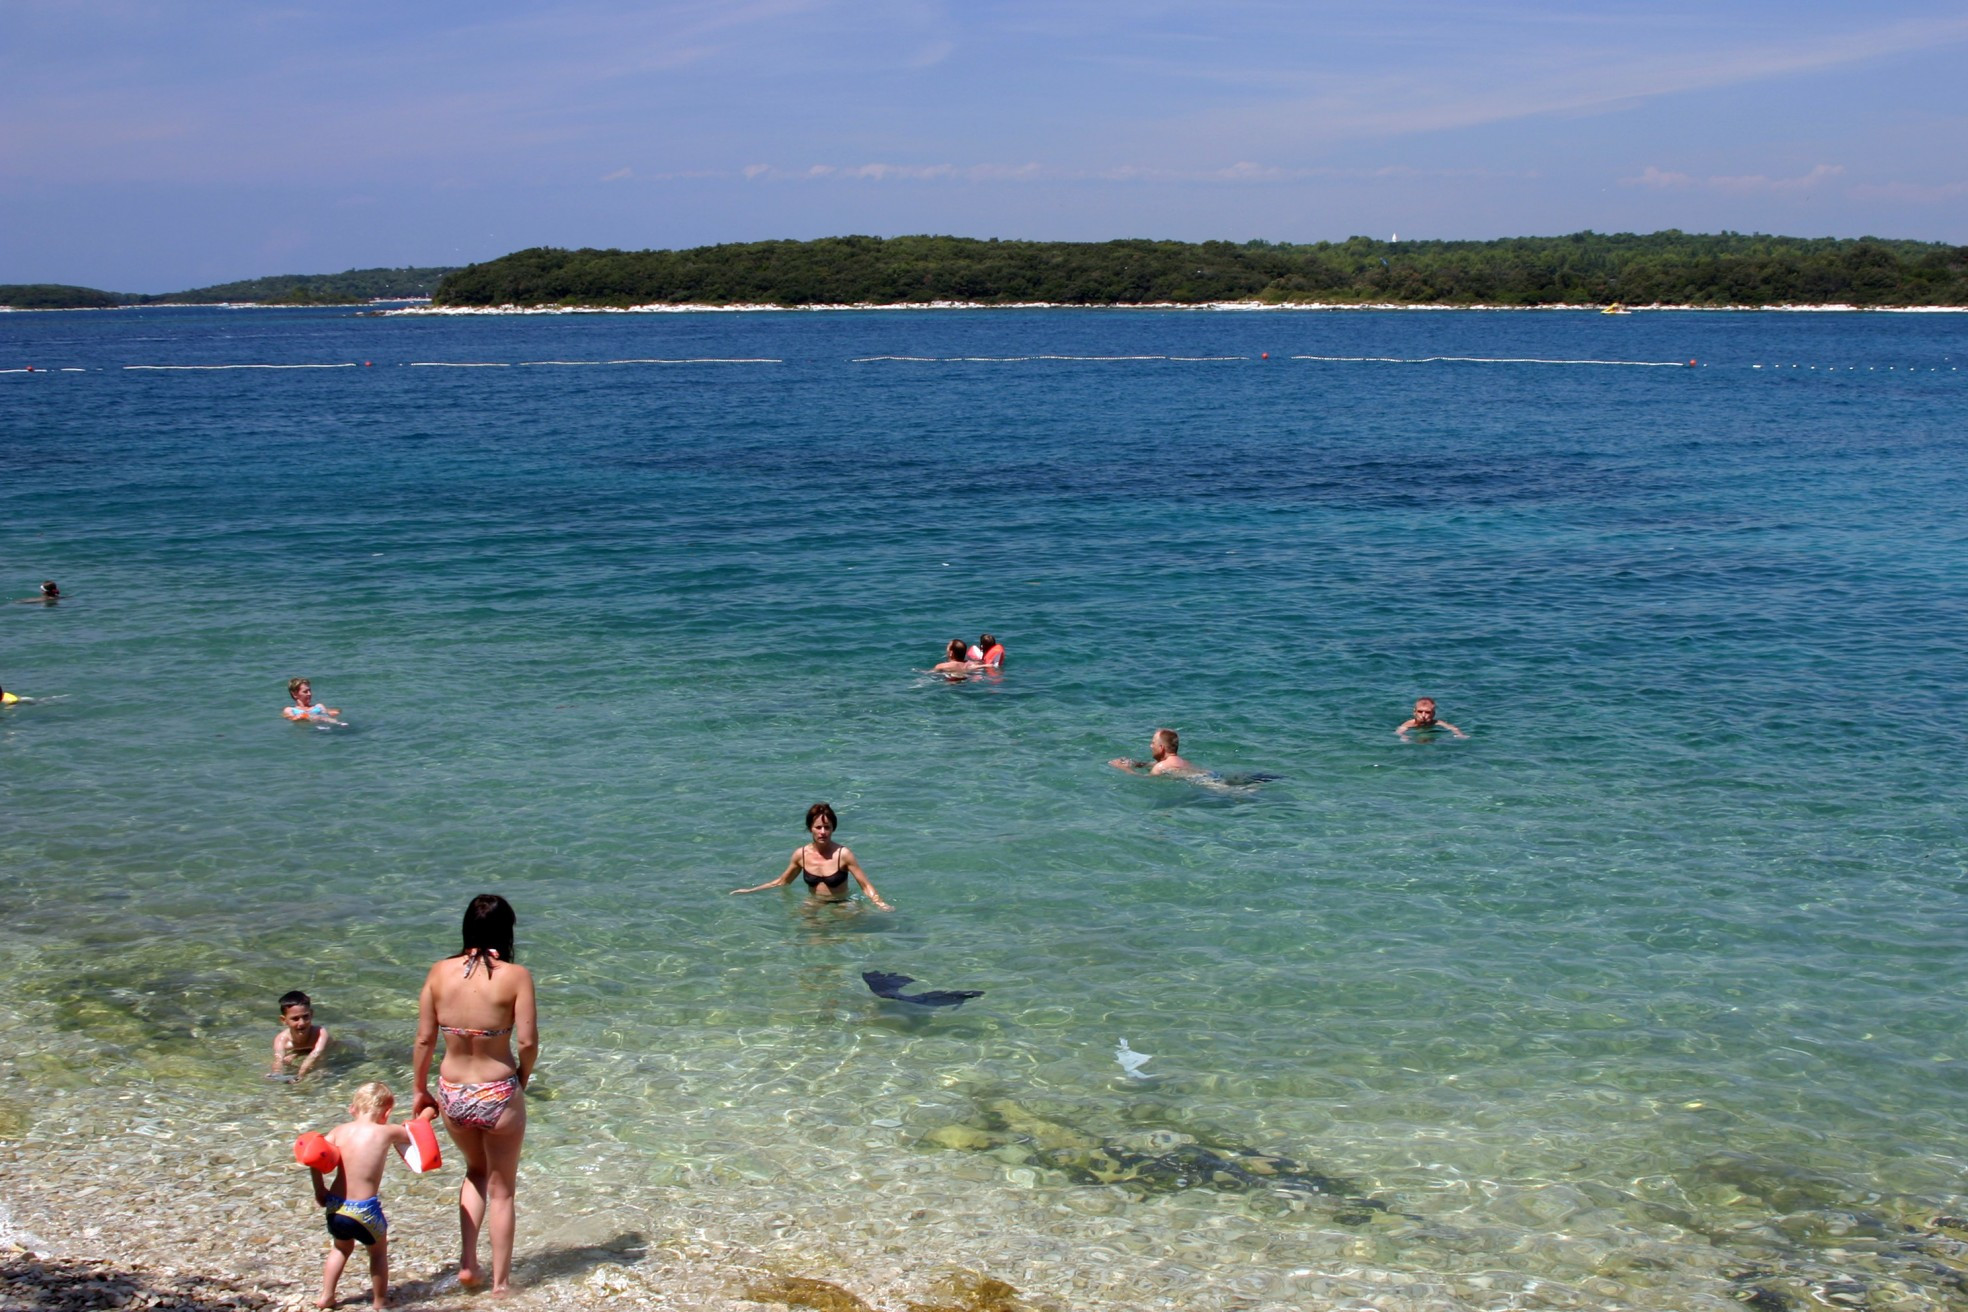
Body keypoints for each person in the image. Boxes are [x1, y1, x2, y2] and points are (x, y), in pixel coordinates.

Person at [412, 895, 538, 1296]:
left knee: (475, 1172)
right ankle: (501, 1285)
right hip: (497, 1089)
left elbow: (424, 1039)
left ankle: (468, 1263)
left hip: (452, 1092)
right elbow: (529, 1041)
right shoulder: (515, 976)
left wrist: (419, 1090)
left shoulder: (438, 972)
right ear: (507, 930)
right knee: (502, 1189)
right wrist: (522, 1075)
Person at [308, 1081, 421, 1311]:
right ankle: (380, 1301)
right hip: (364, 1210)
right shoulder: (387, 1131)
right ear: (387, 1112)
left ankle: (326, 1296)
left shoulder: (338, 1132)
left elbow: (313, 1155)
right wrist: (426, 1113)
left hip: (336, 1207)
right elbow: (414, 1135)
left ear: (352, 1109)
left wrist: (320, 1190)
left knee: (340, 1248)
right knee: (378, 1253)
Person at [730, 802, 894, 910]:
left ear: (833, 829)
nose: (823, 832)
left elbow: (865, 885)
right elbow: (782, 882)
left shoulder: (843, 854)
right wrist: (750, 891)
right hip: (814, 902)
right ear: (810, 829)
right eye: (818, 827)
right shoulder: (800, 855)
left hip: (842, 903)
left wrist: (880, 903)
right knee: (806, 929)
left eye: (827, 827)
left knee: (846, 933)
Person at [273, 990, 331, 1081]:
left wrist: (300, 1076)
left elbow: (314, 1055)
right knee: (286, 1060)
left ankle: (298, 1053)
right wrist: (276, 1074)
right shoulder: (282, 1039)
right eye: (295, 1019)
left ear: (311, 1014)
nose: (302, 1023)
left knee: (321, 1072)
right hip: (309, 1048)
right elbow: (278, 1059)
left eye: (305, 1016)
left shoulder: (320, 1033)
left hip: (326, 1049)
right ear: (283, 1020)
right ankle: (299, 1053)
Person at [1109, 728, 1207, 778]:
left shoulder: (1160, 767)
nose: (1151, 746)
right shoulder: (1183, 762)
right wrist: (1135, 764)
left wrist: (1125, 769)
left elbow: (1146, 780)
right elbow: (1153, 764)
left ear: (1161, 748)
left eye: (1153, 743)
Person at [1396, 697, 1466, 740]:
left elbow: (1453, 728)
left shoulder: (1437, 722)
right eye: (1420, 712)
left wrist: (1460, 734)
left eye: (1427, 712)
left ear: (1433, 714)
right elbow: (1399, 731)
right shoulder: (1410, 723)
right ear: (1414, 712)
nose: (1423, 715)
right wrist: (1403, 736)